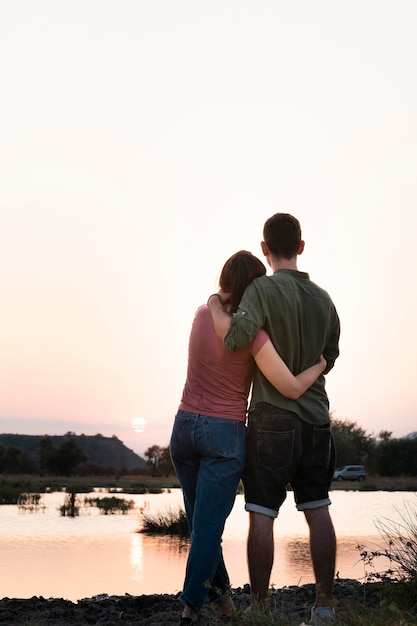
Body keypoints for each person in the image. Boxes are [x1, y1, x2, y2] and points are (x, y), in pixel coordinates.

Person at [170, 250, 327, 625]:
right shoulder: (254, 335)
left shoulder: (201, 313)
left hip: (183, 428)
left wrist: (213, 298)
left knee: (201, 526)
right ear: (257, 287)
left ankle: (224, 604)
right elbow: (289, 387)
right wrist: (319, 365)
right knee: (207, 528)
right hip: (223, 434)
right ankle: (191, 605)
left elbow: (217, 313)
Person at [208, 215, 340, 625]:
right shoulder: (324, 298)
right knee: (318, 509)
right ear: (300, 246)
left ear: (265, 249)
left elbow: (234, 339)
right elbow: (330, 356)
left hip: (270, 418)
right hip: (317, 418)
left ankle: (260, 610)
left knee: (261, 512)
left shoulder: (261, 290)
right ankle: (324, 607)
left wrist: (216, 304)